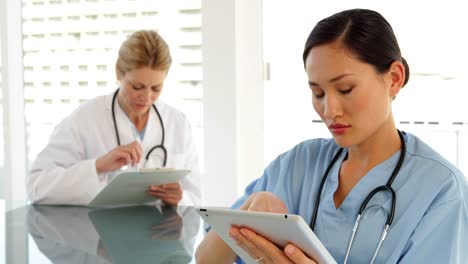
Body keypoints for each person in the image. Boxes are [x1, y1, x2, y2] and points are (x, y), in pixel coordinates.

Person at [196, 8, 468, 264]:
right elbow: (205, 257)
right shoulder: (298, 164)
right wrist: (249, 209)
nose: (329, 110)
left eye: (346, 89)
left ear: (394, 78)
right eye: (318, 93)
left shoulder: (440, 190)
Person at [27, 30, 201, 206]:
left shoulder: (177, 123)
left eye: (156, 88)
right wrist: (98, 166)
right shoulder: (85, 119)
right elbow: (37, 186)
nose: (146, 97)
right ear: (119, 72)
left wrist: (180, 198)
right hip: (96, 230)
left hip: (160, 231)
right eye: (137, 86)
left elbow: (196, 196)